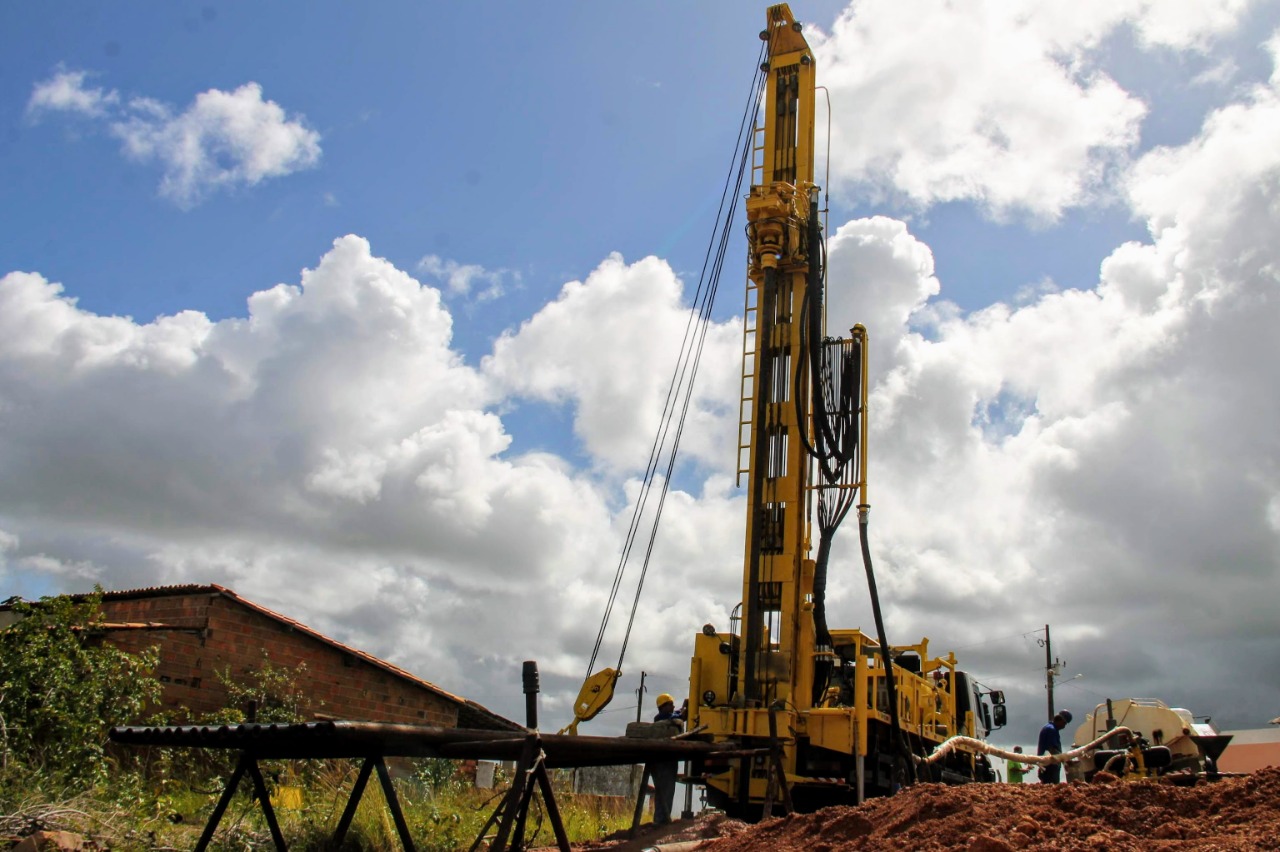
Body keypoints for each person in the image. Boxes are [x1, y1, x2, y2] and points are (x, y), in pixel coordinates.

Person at [648, 693, 686, 824]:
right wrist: (682, 712)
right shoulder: (662, 719)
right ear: (663, 706)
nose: (673, 706)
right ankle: (661, 820)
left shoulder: (664, 717)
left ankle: (661, 818)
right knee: (666, 790)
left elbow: (675, 715)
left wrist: (680, 711)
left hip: (664, 759)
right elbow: (674, 717)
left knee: (665, 790)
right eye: (670, 704)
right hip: (664, 760)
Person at [1036, 710, 1072, 784]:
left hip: (1047, 765)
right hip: (1050, 766)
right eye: (1064, 723)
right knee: (1051, 787)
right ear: (1060, 720)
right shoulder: (1051, 730)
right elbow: (1052, 749)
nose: (1064, 726)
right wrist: (1064, 759)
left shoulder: (1050, 728)